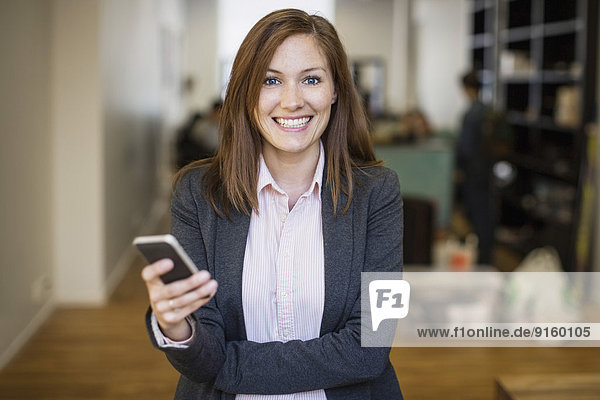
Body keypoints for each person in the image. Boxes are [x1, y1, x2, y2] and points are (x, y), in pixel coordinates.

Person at [141, 8, 404, 399]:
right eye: (270, 81)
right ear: (247, 92)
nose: (292, 101)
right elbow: (199, 357)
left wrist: (225, 363)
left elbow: (372, 345)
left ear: (335, 90)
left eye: (311, 79)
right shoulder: (196, 194)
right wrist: (178, 329)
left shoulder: (379, 193)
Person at [456, 70, 496, 264]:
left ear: (467, 88)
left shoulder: (471, 114)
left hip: (473, 171)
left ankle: (481, 259)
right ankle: (487, 255)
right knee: (487, 213)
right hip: (488, 170)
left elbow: (466, 147)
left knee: (477, 214)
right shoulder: (488, 110)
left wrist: (459, 168)